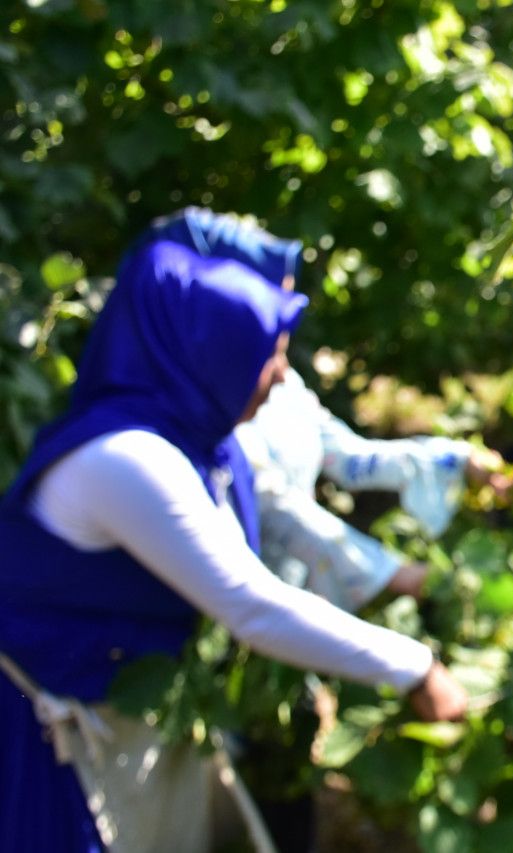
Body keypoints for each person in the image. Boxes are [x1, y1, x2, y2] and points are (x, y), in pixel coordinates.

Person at [0, 229, 466, 851]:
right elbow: (251, 605)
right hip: (51, 729)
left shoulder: (197, 436)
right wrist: (414, 667)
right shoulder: (128, 458)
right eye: (264, 356)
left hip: (114, 713)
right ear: (208, 358)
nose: (278, 376)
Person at [144, 208, 513, 613]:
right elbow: (276, 507)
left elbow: (348, 457)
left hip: (290, 602)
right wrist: (391, 573)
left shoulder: (280, 385)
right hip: (243, 611)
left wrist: (457, 460)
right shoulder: (204, 410)